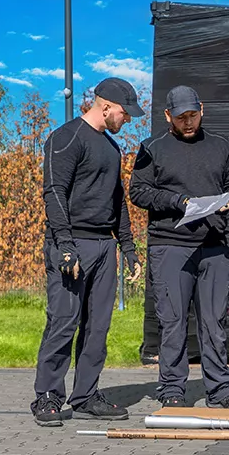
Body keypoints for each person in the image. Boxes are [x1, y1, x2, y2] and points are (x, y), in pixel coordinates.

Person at [129, 85, 229, 409]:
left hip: (214, 247)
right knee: (172, 322)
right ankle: (172, 391)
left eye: (193, 116)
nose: (188, 123)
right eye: (181, 117)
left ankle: (221, 391)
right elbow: (138, 192)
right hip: (170, 246)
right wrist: (175, 201)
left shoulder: (220, 146)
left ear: (202, 110)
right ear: (168, 115)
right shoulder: (151, 148)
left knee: (214, 322)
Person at [32, 78, 145, 427]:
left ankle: (85, 395)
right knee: (64, 322)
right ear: (105, 105)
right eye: (125, 113)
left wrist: (128, 247)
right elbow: (54, 192)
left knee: (98, 326)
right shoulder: (65, 139)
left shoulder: (112, 149)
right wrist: (65, 246)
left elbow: (117, 201)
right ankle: (48, 396)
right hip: (71, 246)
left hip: (104, 245)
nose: (127, 120)